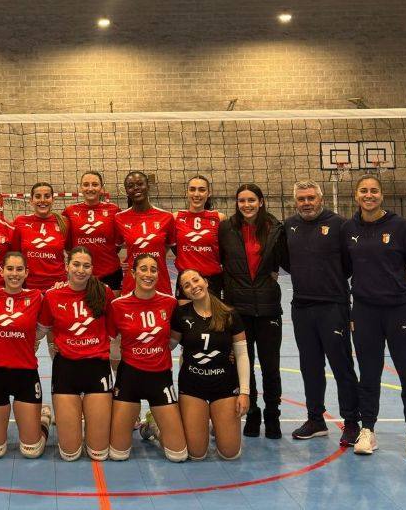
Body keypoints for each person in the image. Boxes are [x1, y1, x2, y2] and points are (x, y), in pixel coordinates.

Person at [342, 175, 406, 460]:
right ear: (356, 195)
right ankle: (368, 430)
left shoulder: (401, 227)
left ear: (381, 195)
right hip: (365, 312)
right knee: (369, 374)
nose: (369, 195)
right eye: (363, 190)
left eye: (374, 191)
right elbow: (342, 270)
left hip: (400, 309)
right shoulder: (348, 228)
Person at [282, 181, 360, 446]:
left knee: (342, 366)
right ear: (295, 202)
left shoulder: (339, 225)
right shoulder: (288, 226)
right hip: (302, 307)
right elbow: (287, 261)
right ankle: (315, 419)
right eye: (301, 198)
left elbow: (349, 265)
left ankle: (352, 423)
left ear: (320, 199)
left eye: (311, 198)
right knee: (310, 366)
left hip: (333, 306)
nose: (306, 203)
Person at [218, 183, 286, 439]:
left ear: (261, 202)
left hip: (268, 306)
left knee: (271, 366)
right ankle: (253, 412)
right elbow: (219, 261)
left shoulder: (275, 228)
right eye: (242, 201)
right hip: (238, 308)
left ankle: (272, 414)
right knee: (244, 363)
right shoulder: (226, 228)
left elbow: (285, 260)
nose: (246, 205)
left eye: (251, 200)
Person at [38, 246, 115, 461]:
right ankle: (44, 421)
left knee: (99, 453)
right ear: (67, 266)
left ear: (92, 268)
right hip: (66, 369)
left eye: (86, 266)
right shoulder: (52, 295)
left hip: (97, 367)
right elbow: (41, 330)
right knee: (69, 454)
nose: (81, 270)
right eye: (76, 264)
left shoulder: (104, 292)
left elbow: (114, 330)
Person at [108, 254, 187, 462]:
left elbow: (177, 337)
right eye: (143, 269)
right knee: (118, 454)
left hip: (160, 377)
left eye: (153, 269)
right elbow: (110, 342)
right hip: (129, 378)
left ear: (158, 274)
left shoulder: (170, 303)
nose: (148, 274)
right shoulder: (118, 305)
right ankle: (138, 422)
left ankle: (153, 425)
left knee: (178, 455)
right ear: (133, 273)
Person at [170, 270, 250, 460]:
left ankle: (218, 422)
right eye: (187, 285)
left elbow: (241, 354)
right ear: (184, 292)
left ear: (205, 282)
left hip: (224, 386)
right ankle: (157, 427)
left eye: (196, 280)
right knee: (196, 453)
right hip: (192, 387)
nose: (193, 286)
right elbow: (170, 345)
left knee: (230, 453)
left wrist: (244, 392)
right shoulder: (181, 314)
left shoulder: (229, 313)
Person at [0, 252, 52, 458]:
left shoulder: (36, 297)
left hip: (25, 374)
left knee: (31, 451)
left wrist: (28, 339)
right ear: (1, 271)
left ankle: (43, 420)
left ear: (26, 272)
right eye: (10, 269)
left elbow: (43, 328)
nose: (14, 274)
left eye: (19, 269)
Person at [116, 171, 175, 295]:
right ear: (126, 191)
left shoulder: (166, 217)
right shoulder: (119, 218)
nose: (136, 188)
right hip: (132, 284)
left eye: (140, 184)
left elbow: (171, 246)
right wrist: (119, 263)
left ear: (148, 186)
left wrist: (155, 255)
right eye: (130, 186)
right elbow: (113, 248)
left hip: (160, 284)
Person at [63, 171, 123, 290]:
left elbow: (118, 244)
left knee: (111, 302)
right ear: (81, 188)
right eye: (86, 184)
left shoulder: (114, 210)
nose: (90, 188)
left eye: (95, 184)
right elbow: (69, 247)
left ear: (101, 188)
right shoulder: (69, 212)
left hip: (110, 272)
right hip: (80, 274)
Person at [173, 174, 226, 299]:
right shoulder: (175, 217)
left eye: (202, 190)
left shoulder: (219, 218)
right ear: (187, 192)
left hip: (212, 280)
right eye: (192, 189)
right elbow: (169, 246)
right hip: (186, 280)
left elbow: (225, 250)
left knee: (214, 312)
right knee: (185, 312)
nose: (196, 194)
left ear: (208, 193)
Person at [12, 182, 68, 289]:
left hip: (57, 286)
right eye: (38, 196)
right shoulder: (20, 222)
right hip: (29, 286)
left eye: (47, 196)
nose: (42, 200)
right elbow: (15, 254)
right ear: (31, 200)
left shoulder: (64, 222)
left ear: (53, 199)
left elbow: (71, 252)